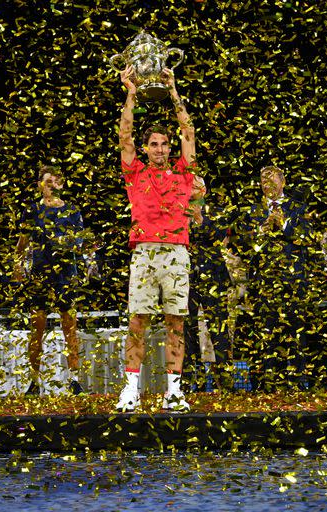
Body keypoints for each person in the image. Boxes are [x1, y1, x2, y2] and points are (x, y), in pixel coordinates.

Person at [115, 65, 204, 412]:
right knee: (137, 321)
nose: (160, 148)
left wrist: (173, 89)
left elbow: (189, 130)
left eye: (165, 144)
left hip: (177, 252)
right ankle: (130, 390)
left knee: (176, 323)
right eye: (153, 144)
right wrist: (131, 92)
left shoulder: (184, 173)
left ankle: (174, 391)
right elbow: (125, 136)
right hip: (144, 251)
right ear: (146, 148)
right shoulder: (134, 172)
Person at [14, 165, 91, 396]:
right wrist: (17, 265)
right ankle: (34, 381)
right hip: (40, 275)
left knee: (70, 327)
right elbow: (22, 243)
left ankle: (74, 380)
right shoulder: (32, 210)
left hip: (66, 275)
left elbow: (80, 244)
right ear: (40, 185)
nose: (53, 186)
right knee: (36, 327)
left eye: (57, 182)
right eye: (49, 182)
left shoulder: (73, 211)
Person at [236, 166, 312, 391]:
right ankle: (268, 387)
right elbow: (245, 247)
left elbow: (306, 238)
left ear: (283, 181)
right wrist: (263, 228)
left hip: (293, 284)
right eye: (263, 180)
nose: (267, 183)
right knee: (267, 335)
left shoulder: (299, 208)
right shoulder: (252, 212)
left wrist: (285, 225)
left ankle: (298, 386)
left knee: (295, 335)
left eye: (272, 179)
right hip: (263, 285)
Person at [184, 182, 234, 391]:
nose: (190, 188)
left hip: (214, 279)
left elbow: (220, 237)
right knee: (187, 332)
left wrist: (199, 219)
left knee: (219, 331)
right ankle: (190, 382)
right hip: (186, 279)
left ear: (203, 190)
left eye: (195, 185)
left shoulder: (219, 210)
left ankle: (226, 383)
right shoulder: (176, 210)